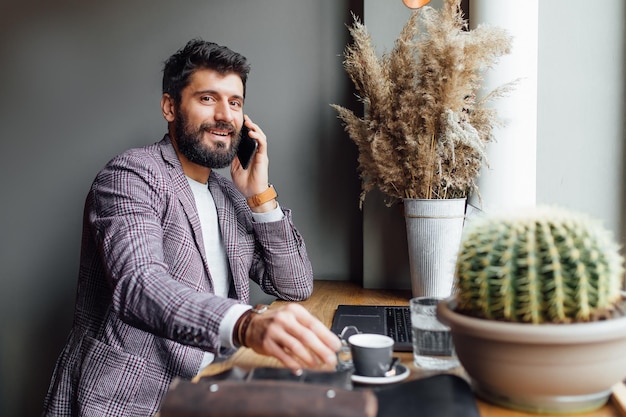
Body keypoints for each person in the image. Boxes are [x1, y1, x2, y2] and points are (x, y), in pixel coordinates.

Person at [42, 39, 341, 417]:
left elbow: (295, 285)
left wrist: (260, 194)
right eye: (207, 99)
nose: (224, 115)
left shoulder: (228, 196)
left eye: (235, 102)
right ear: (170, 107)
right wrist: (246, 324)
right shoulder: (131, 175)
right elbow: (139, 285)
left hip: (208, 387)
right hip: (130, 399)